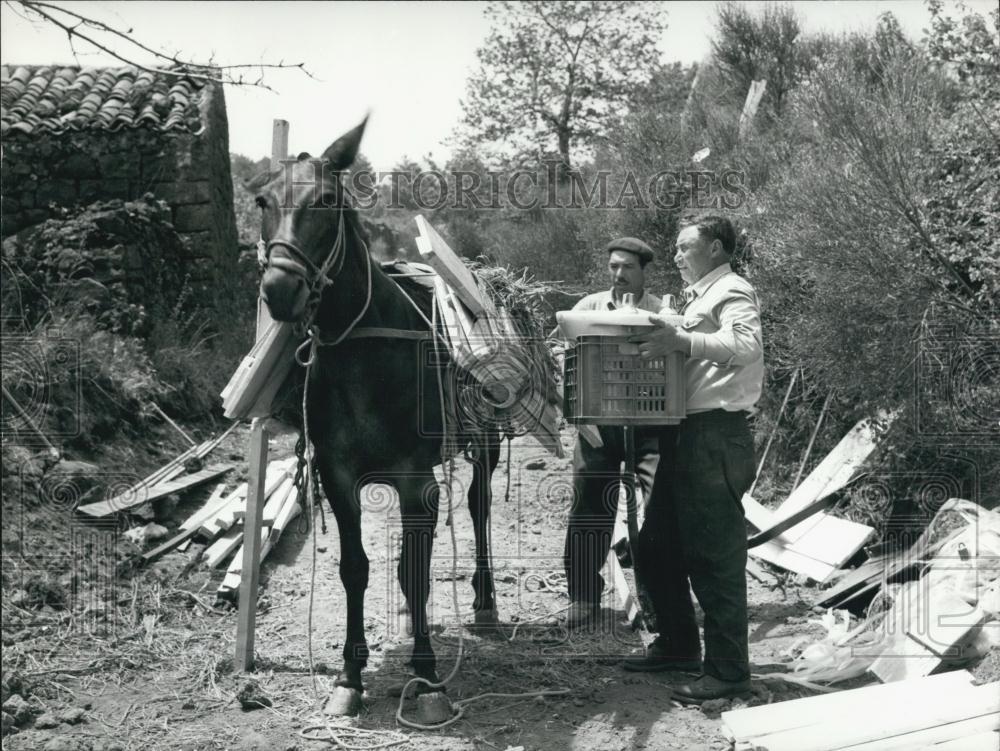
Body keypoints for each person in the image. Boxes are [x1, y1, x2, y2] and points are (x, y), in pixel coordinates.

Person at [625, 215, 763, 703]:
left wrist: (679, 339)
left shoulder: (732, 289)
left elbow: (745, 346)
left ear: (718, 249)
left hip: (715, 434)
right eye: (678, 249)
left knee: (714, 557)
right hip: (686, 434)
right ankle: (679, 644)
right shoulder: (700, 297)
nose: (678, 256)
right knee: (658, 544)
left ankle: (727, 672)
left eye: (687, 247)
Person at [561, 237, 662, 629]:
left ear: (643, 272)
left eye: (628, 268)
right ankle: (583, 598)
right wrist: (577, 415)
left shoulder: (661, 311)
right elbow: (563, 359)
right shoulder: (587, 308)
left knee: (656, 512)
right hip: (598, 426)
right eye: (614, 267)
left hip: (648, 424)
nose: (619, 275)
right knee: (588, 506)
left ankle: (656, 599)